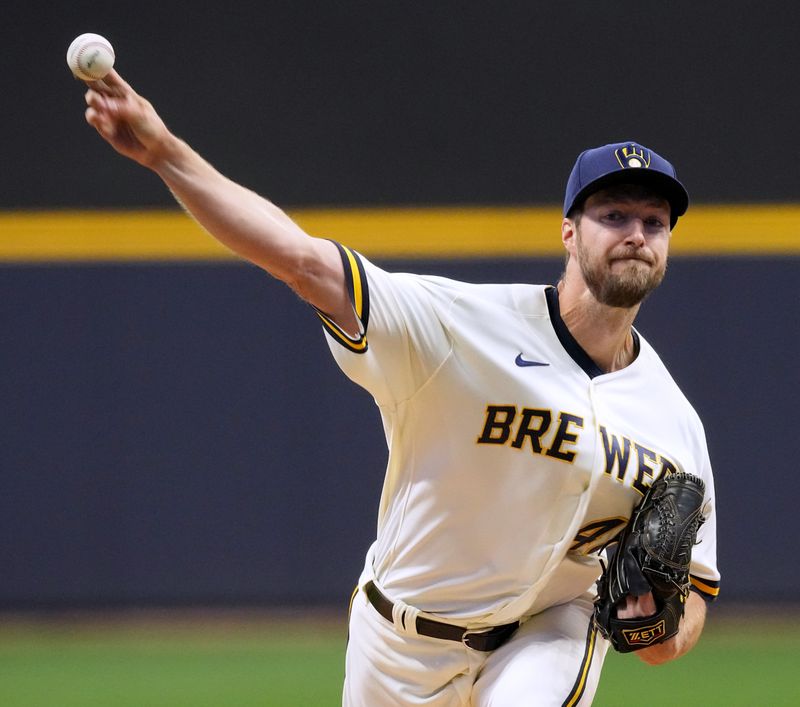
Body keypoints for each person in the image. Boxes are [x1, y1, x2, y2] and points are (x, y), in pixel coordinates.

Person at [82, 70, 720, 706]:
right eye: (614, 215)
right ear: (570, 231)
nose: (636, 234)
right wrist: (165, 154)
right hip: (400, 637)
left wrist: (662, 630)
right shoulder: (460, 327)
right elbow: (302, 262)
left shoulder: (674, 422)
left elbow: (688, 603)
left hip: (550, 630)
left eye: (654, 221)